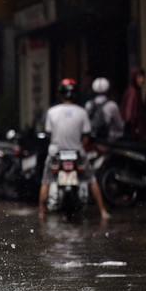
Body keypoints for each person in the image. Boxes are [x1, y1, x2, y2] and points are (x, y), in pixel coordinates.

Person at [38, 79, 110, 220]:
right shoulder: (82, 112)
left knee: (46, 180)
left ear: (60, 94)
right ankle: (103, 211)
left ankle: (41, 213)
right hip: (77, 153)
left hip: (56, 153)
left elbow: (49, 134)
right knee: (91, 179)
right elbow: (86, 137)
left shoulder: (52, 112)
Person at [83, 77, 124, 142]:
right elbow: (119, 126)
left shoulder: (88, 104)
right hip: (107, 141)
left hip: (92, 140)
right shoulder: (112, 105)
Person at [120, 67, 146, 140]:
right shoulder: (133, 92)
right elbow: (130, 116)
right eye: (139, 77)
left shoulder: (133, 90)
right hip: (134, 132)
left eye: (143, 77)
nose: (142, 80)